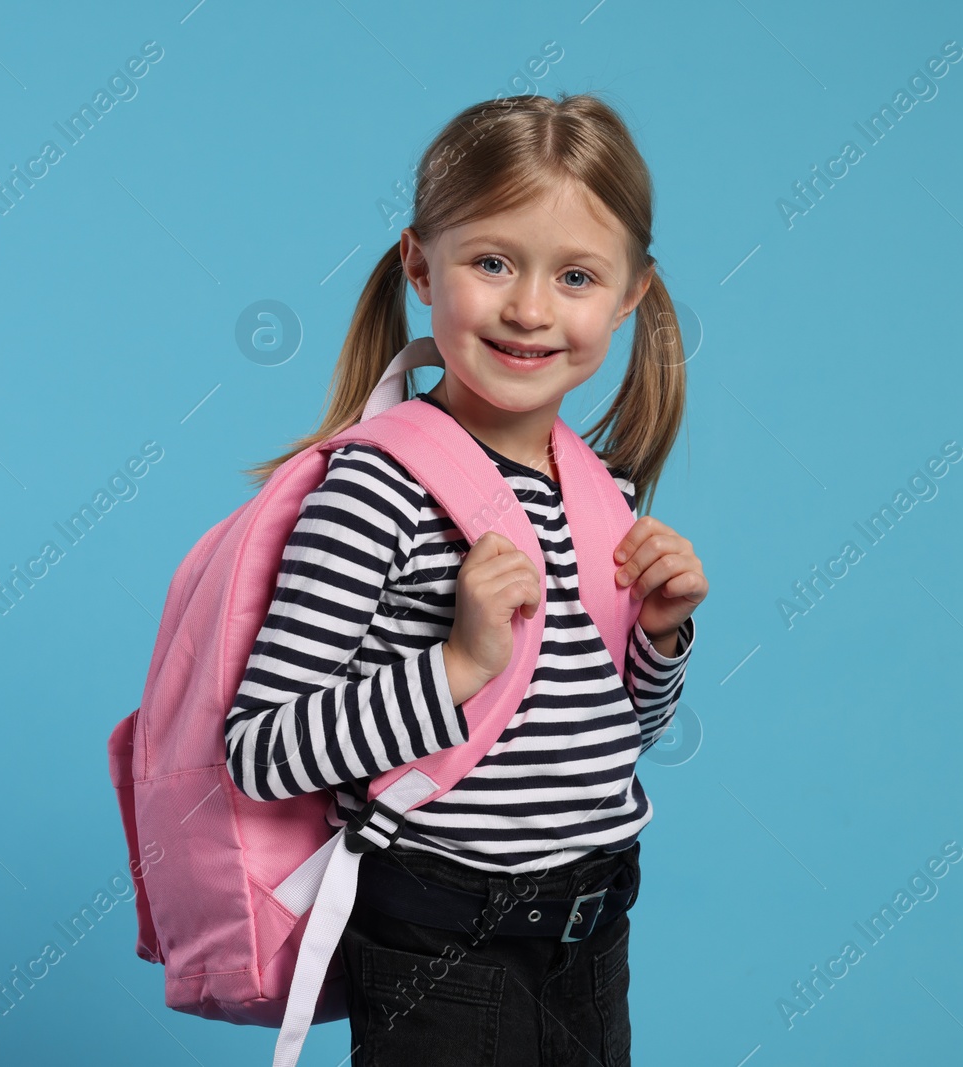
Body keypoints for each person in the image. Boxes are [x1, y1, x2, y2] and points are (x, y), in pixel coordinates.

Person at [225, 91, 707, 1067]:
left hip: (591, 931)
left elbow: (608, 740)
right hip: (444, 944)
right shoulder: (376, 487)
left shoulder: (600, 491)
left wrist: (658, 639)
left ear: (629, 295)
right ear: (418, 265)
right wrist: (456, 663)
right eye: (492, 262)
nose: (529, 307)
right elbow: (260, 751)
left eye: (575, 275)